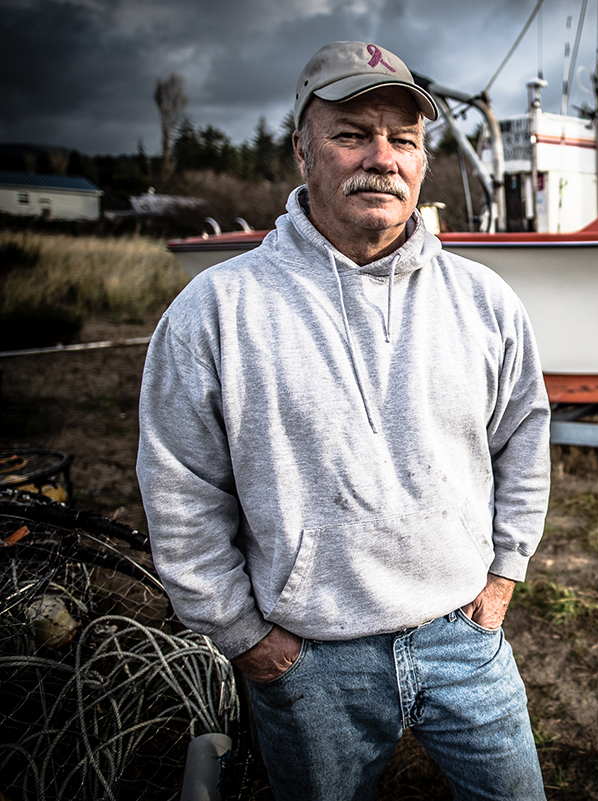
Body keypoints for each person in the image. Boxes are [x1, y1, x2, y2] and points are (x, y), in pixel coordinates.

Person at [137, 41, 551, 801]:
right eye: (353, 133)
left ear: (423, 161)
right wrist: (245, 637)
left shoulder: (485, 301)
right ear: (303, 149)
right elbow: (180, 488)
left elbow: (523, 434)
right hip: (310, 659)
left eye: (404, 139)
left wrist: (504, 573)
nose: (382, 158)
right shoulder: (216, 311)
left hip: (466, 637)